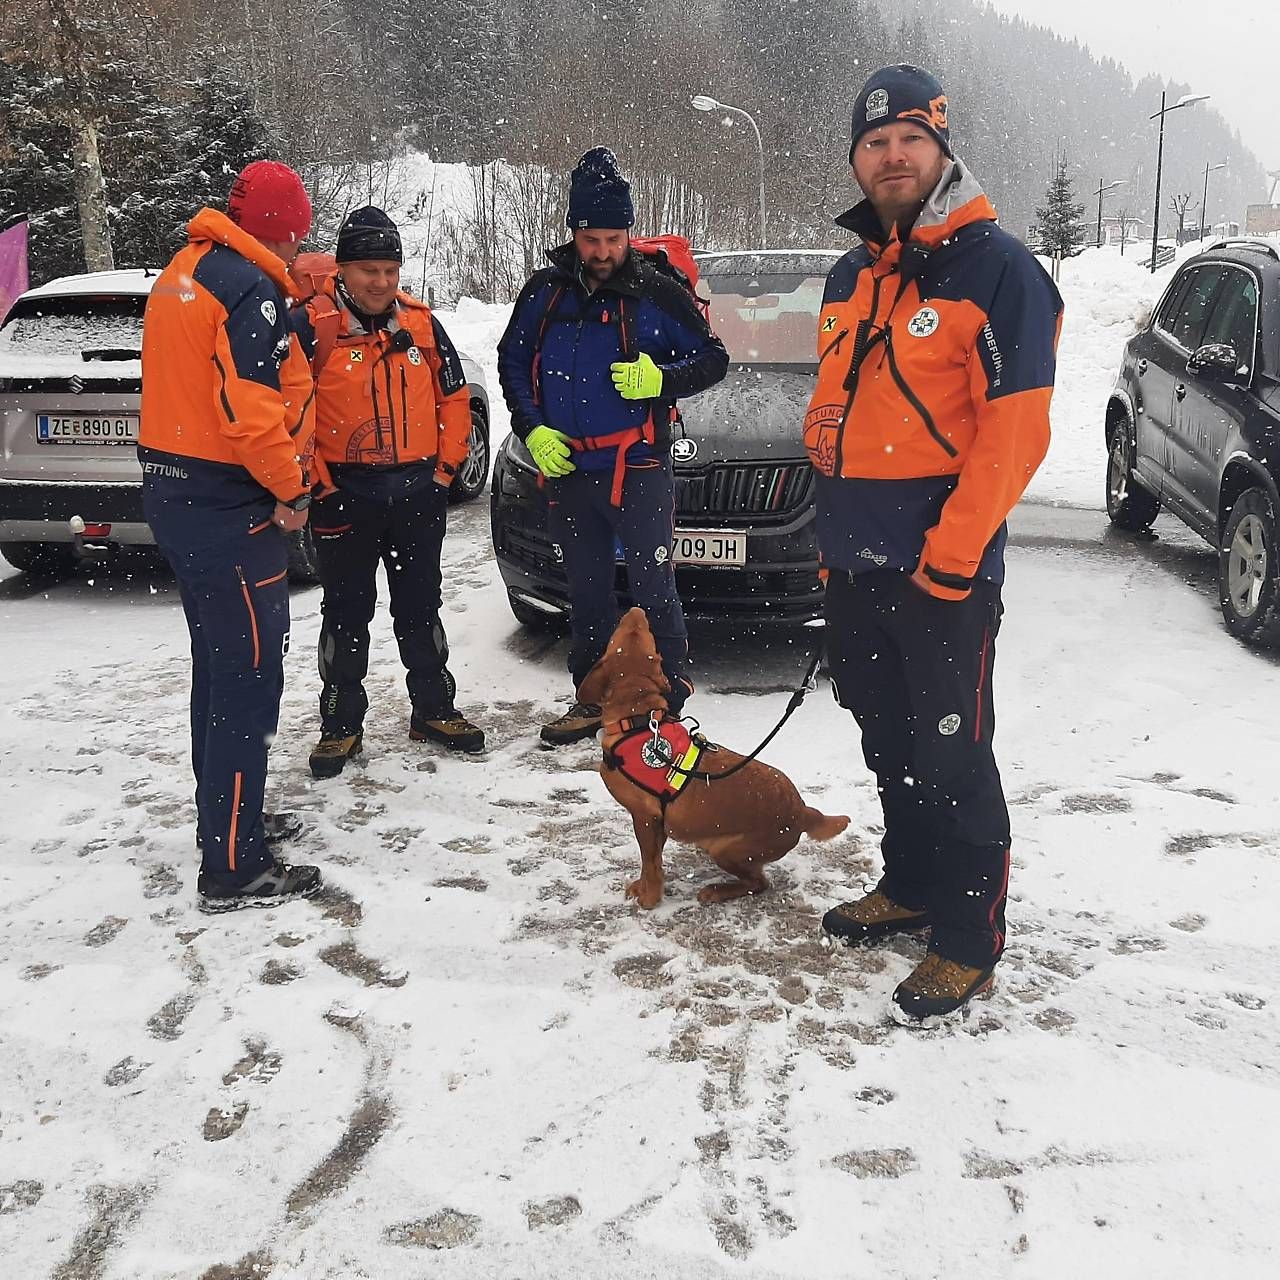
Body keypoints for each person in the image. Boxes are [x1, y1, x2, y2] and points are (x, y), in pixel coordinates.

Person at [804, 66, 1062, 1018]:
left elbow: (1016, 434)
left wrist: (948, 561)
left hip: (943, 576)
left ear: (942, 149)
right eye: (874, 143)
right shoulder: (848, 275)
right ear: (858, 160)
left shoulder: (999, 268)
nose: (892, 156)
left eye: (910, 138)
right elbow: (836, 412)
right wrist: (829, 540)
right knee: (888, 742)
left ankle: (968, 934)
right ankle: (910, 887)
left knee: (954, 755)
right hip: (857, 565)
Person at [139, 160, 325, 911]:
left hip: (176, 493)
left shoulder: (185, 269)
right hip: (227, 506)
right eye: (299, 228)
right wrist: (293, 490)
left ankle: (228, 823)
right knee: (247, 680)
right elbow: (250, 412)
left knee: (217, 672)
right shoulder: (248, 288)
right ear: (283, 225)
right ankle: (234, 869)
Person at [497, 147, 728, 745]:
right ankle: (589, 697)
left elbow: (713, 358)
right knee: (588, 589)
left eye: (613, 238)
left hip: (639, 466)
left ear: (629, 232)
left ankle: (669, 700)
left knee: (654, 587)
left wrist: (662, 381)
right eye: (591, 238)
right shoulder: (545, 293)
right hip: (571, 468)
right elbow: (512, 359)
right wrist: (532, 427)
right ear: (573, 233)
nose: (603, 252)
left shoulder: (657, 292)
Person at [293, 206, 486, 778]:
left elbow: (455, 398)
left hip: (417, 493)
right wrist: (318, 482)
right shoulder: (314, 327)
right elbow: (290, 410)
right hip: (344, 495)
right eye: (368, 270)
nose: (380, 282)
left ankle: (433, 710)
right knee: (347, 612)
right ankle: (341, 724)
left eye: (390, 270)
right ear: (343, 271)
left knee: (420, 606)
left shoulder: (423, 325)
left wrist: (445, 472)